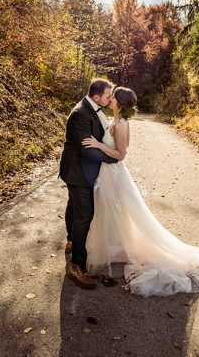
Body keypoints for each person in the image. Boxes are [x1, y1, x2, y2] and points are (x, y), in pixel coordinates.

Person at [83, 86, 199, 297]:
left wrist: (99, 145)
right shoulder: (118, 121)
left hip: (114, 172)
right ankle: (119, 245)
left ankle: (121, 247)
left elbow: (121, 154)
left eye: (113, 97)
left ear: (119, 102)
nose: (110, 99)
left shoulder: (120, 125)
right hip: (109, 173)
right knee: (115, 210)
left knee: (116, 209)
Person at [59, 78, 118, 289]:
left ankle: (72, 240)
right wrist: (114, 157)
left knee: (74, 206)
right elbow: (86, 150)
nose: (111, 98)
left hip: (83, 169)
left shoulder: (94, 109)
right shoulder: (80, 114)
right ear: (96, 97)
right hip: (78, 171)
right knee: (84, 214)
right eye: (108, 95)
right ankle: (76, 266)